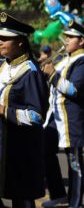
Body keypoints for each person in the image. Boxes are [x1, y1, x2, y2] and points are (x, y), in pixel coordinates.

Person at [41, 20, 84, 208]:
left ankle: (75, 203)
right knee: (44, 150)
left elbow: (73, 90)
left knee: (74, 163)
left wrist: (53, 74)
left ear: (81, 41)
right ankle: (58, 194)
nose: (66, 39)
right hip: (55, 117)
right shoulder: (66, 58)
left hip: (72, 118)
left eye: (70, 37)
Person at [0, 12, 49, 207]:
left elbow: (36, 116)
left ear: (20, 42)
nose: (0, 41)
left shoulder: (30, 72)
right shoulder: (5, 65)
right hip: (5, 145)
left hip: (21, 148)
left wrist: (3, 110)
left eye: (6, 38)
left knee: (22, 198)